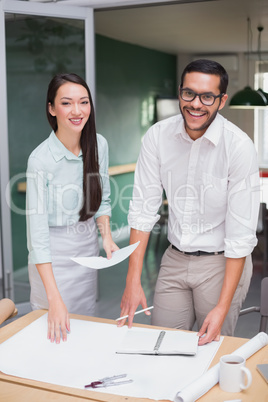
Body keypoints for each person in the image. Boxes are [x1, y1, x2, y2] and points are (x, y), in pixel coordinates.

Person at [118, 59, 260, 345]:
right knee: (161, 344)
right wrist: (132, 280)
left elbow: (240, 236)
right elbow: (143, 210)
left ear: (221, 101)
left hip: (222, 262)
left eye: (207, 96)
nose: (196, 104)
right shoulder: (158, 137)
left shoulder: (239, 146)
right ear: (180, 92)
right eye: (189, 93)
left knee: (209, 351)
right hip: (174, 259)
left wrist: (222, 307)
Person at [26, 73, 118, 343]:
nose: (77, 111)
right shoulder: (40, 160)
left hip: (86, 251)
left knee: (83, 328)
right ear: (52, 109)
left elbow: (102, 198)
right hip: (52, 261)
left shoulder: (98, 144)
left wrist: (107, 237)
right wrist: (54, 298)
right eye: (66, 103)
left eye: (84, 102)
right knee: (52, 331)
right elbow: (38, 238)